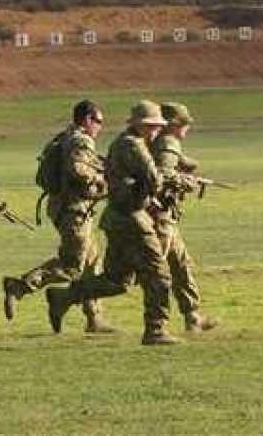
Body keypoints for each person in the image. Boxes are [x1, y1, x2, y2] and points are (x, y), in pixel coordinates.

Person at [46, 100, 178, 345]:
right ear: (140, 125)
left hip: (116, 218)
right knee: (159, 275)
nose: (156, 131)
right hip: (133, 220)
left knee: (116, 280)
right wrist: (178, 181)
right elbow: (154, 180)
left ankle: (63, 297)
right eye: (151, 126)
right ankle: (155, 330)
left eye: (157, 126)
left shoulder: (120, 142)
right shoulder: (135, 146)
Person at [1, 100, 113, 332]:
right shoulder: (81, 140)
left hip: (65, 206)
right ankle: (20, 286)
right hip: (74, 210)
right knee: (72, 266)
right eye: (99, 121)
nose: (100, 127)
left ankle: (94, 318)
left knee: (92, 263)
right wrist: (102, 180)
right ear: (87, 119)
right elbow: (78, 169)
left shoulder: (64, 137)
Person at [152, 102, 218, 333]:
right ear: (174, 125)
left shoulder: (159, 142)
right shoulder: (169, 143)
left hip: (164, 216)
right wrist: (187, 181)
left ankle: (192, 316)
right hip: (159, 216)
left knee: (180, 265)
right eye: (184, 123)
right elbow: (163, 175)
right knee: (136, 274)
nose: (187, 127)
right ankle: (69, 297)